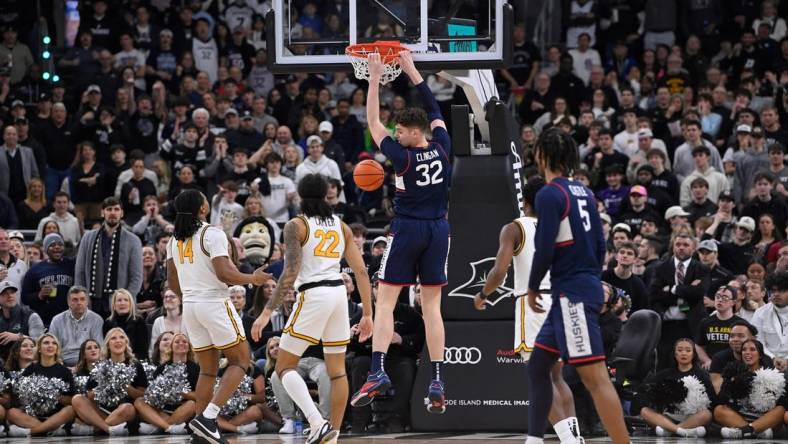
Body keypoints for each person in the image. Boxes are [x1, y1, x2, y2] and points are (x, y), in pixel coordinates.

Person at [351, 51, 451, 415]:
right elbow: (434, 108)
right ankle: (438, 379)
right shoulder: (443, 146)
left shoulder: (402, 157)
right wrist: (411, 70)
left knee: (386, 303)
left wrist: (375, 77)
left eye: (401, 132)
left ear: (412, 134)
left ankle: (377, 371)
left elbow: (373, 121)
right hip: (439, 230)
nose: (395, 134)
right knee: (433, 308)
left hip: (408, 229)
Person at [525, 127, 630, 444]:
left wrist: (531, 287)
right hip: (579, 287)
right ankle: (534, 439)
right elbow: (601, 246)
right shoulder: (585, 192)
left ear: (542, 155)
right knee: (538, 365)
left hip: (571, 293)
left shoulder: (549, 194)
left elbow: (543, 249)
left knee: (595, 378)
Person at [251, 174, 373, 443]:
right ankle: (334, 433)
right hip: (338, 296)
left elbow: (291, 272)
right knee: (338, 371)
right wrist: (367, 314)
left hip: (314, 294)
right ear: (327, 195)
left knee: (282, 368)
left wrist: (266, 312)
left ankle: (317, 422)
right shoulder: (342, 227)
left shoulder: (297, 225)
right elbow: (361, 271)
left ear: (301, 197)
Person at [473, 177, 584, 444]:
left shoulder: (515, 228)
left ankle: (567, 440)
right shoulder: (558, 227)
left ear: (525, 201)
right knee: (557, 377)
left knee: (541, 380)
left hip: (533, 305)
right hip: (561, 301)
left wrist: (482, 293)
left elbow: (499, 272)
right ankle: (575, 438)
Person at [166, 189, 269, 444]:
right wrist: (251, 278)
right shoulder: (211, 233)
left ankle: (202, 432)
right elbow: (224, 273)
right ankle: (209, 417)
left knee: (208, 371)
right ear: (202, 208)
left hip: (190, 305)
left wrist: (191, 293)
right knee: (241, 360)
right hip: (213, 301)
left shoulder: (173, 240)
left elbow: (172, 282)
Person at [70, 328, 149, 436]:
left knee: (128, 408)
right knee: (77, 399)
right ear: (108, 344)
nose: (118, 341)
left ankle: (96, 429)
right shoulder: (100, 365)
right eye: (113, 338)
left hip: (124, 412)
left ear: (126, 343)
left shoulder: (135, 365)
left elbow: (142, 395)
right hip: (102, 411)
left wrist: (126, 387)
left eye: (122, 337)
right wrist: (105, 386)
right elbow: (90, 396)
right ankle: (108, 428)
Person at [75, 197, 143, 319]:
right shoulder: (88, 237)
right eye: (109, 209)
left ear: (121, 213)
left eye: (116, 209)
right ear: (102, 212)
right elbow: (80, 272)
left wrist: (125, 301)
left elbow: (136, 277)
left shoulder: (133, 240)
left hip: (121, 306)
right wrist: (82, 299)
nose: (113, 213)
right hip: (92, 303)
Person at [639, 338, 713, 437]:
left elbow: (712, 399)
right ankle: (682, 431)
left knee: (706, 414)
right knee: (645, 411)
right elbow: (646, 390)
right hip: (668, 417)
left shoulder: (702, 375)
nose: (683, 353)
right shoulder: (665, 374)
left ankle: (669, 430)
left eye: (688, 350)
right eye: (680, 350)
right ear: (674, 354)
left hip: (692, 417)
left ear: (694, 354)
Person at [6, 334, 76, 437]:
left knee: (70, 410)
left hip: (56, 415)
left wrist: (53, 395)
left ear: (57, 349)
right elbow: (21, 396)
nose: (50, 345)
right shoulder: (30, 369)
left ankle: (32, 431)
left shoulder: (64, 371)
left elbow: (71, 400)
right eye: (46, 343)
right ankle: (49, 429)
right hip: (33, 416)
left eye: (54, 343)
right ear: (39, 349)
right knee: (12, 412)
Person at [714, 339, 786, 439]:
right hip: (739, 418)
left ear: (760, 355)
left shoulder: (772, 375)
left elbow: (782, 402)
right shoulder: (733, 372)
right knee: (719, 410)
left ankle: (744, 432)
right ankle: (753, 432)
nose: (747, 352)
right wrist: (730, 384)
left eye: (752, 349)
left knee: (781, 409)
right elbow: (721, 399)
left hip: (765, 419)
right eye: (744, 350)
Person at [134, 332, 198, 435]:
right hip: (162, 410)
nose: (181, 343)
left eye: (184, 342)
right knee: (139, 401)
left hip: (183, 409)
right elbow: (151, 396)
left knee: (192, 404)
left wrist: (179, 392)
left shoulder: (196, 368)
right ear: (171, 347)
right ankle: (169, 427)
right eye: (177, 342)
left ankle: (158, 426)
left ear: (189, 347)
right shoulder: (161, 368)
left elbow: (200, 396)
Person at [21, 232, 76, 326]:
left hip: (69, 319)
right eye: (52, 245)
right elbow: (25, 298)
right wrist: (40, 295)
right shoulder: (35, 269)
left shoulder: (72, 265)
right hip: (45, 320)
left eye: (60, 244)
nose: (57, 247)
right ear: (46, 249)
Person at [708, 320, 772, 394]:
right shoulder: (719, 358)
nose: (735, 339)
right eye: (732, 336)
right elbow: (718, 390)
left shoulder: (765, 359)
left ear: (753, 338)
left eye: (741, 336)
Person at [48, 286, 105, 367]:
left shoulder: (96, 319)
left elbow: (99, 349)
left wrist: (81, 367)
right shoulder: (57, 320)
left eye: (82, 299)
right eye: (75, 300)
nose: (79, 303)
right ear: (68, 302)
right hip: (62, 364)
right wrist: (61, 367)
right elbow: (53, 348)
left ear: (87, 301)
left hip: (88, 364)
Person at [695, 285, 743, 369]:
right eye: (718, 296)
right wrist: (706, 360)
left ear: (733, 302)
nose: (720, 300)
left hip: (733, 367)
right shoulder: (705, 322)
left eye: (725, 297)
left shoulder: (740, 324)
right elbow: (699, 345)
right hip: (711, 366)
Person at [750, 271, 788, 370]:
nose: (776, 294)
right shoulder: (760, 313)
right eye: (773, 290)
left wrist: (787, 360)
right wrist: (773, 358)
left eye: (781, 290)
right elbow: (757, 342)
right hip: (767, 364)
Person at [0, 280, 44, 359]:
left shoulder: (31, 316)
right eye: (4, 293)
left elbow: (40, 343)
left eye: (12, 292)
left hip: (27, 364)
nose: (10, 295)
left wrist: (19, 337)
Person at [102, 289, 149, 360]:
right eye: (119, 300)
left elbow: (142, 350)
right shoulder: (108, 323)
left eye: (126, 300)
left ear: (131, 304)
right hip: (113, 361)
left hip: (136, 360)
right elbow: (106, 348)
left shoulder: (139, 321)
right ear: (114, 305)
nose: (122, 303)